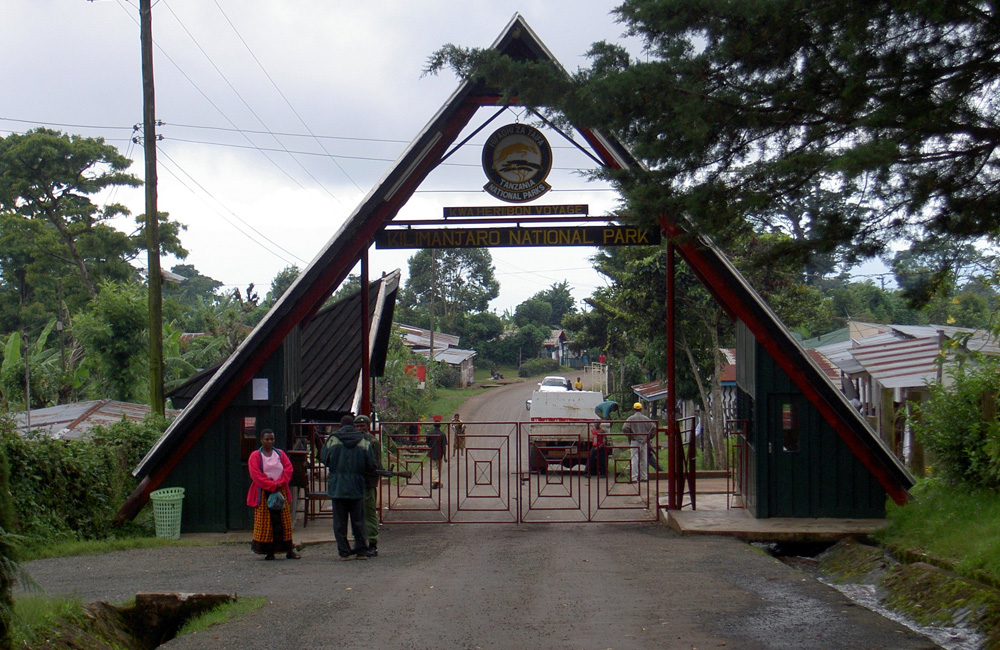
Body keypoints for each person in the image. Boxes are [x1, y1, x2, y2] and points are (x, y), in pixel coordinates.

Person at [321, 414, 376, 560]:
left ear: (341, 425)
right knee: (358, 520)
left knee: (339, 522)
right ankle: (361, 551)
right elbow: (370, 463)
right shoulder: (363, 441)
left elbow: (324, 458)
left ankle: (344, 552)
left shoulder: (333, 440)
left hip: (337, 486)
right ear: (353, 425)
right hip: (356, 486)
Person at [246, 429, 301, 561]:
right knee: (266, 523)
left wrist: (280, 483)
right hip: (264, 492)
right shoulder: (255, 456)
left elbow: (288, 469)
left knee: (284, 521)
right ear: (261, 440)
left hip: (280, 491)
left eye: (272, 439)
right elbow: (256, 475)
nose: (270, 442)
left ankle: (288, 549)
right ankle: (269, 551)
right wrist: (271, 485)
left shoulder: (280, 454)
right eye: (267, 439)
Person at [355, 415, 382, 558]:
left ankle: (372, 543)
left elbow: (375, 464)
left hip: (368, 483)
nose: (360, 429)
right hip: (356, 483)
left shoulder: (372, 442)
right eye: (357, 426)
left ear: (368, 426)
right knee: (357, 514)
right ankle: (360, 543)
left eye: (362, 426)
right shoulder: (355, 442)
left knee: (369, 512)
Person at [622, 402, 655, 482]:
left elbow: (624, 428)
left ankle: (634, 478)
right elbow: (654, 427)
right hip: (644, 441)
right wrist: (649, 436)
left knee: (634, 459)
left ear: (634, 409)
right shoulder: (646, 418)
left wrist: (630, 435)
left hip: (635, 441)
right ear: (641, 409)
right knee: (644, 459)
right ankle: (644, 477)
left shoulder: (631, 418)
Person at [425, 415, 449, 489]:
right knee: (438, 468)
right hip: (440, 453)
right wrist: (445, 456)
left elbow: (427, 443)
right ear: (440, 426)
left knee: (433, 467)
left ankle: (435, 481)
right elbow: (444, 446)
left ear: (434, 425)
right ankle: (436, 481)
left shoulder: (429, 433)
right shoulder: (442, 434)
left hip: (432, 452)